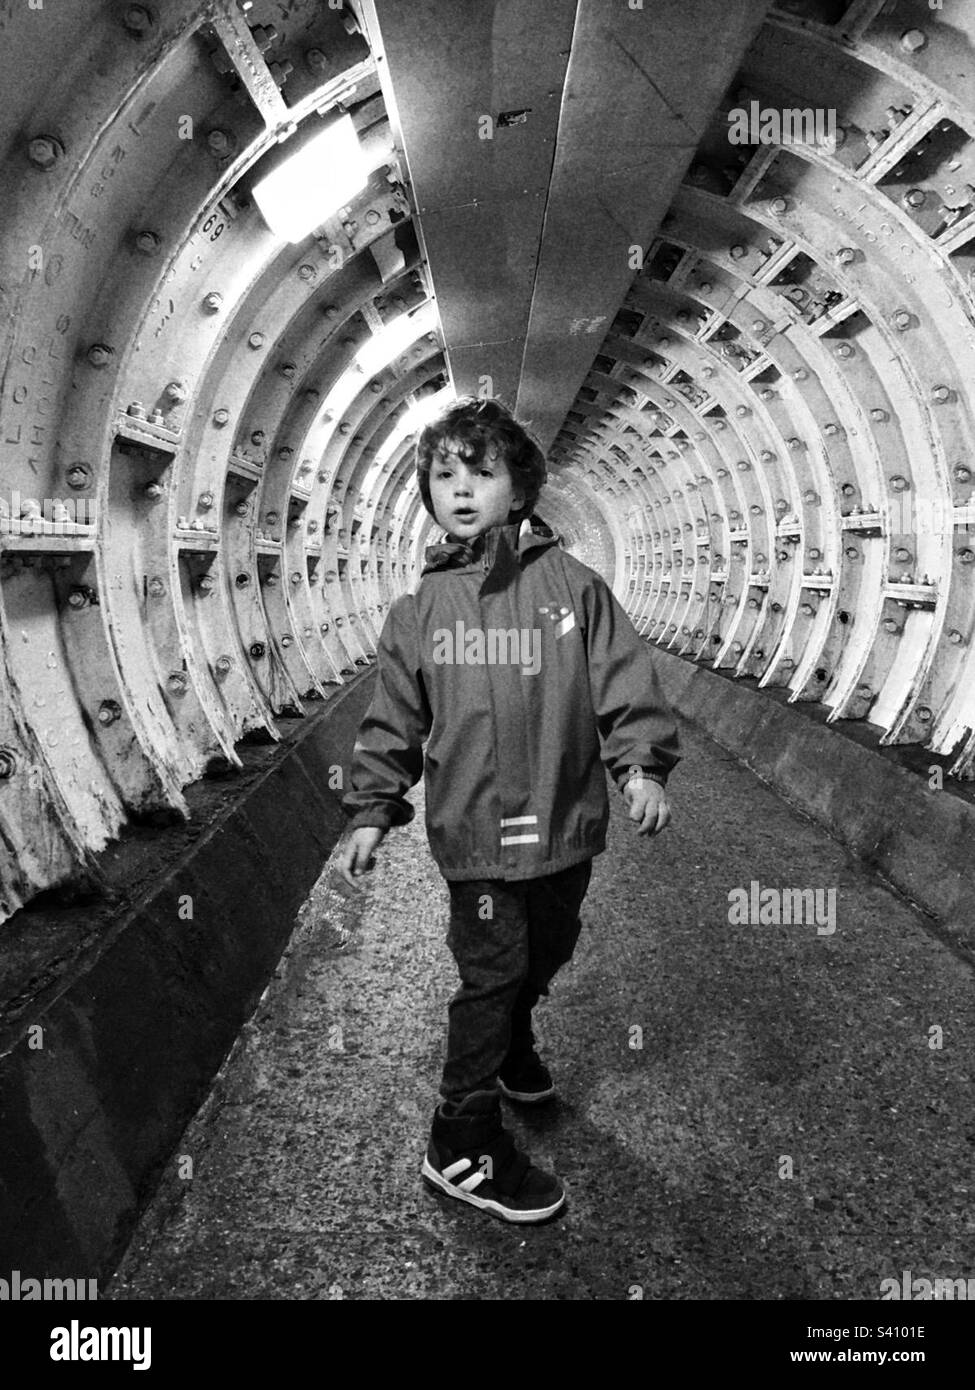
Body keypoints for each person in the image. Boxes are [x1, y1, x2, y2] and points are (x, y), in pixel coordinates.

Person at [338, 397, 680, 1223]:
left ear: (520, 490)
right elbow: (394, 717)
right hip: (478, 837)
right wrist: (371, 808)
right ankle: (460, 1142)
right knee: (490, 974)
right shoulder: (419, 611)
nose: (459, 489)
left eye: (480, 473)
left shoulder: (576, 590)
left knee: (548, 951)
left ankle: (515, 1041)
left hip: (564, 826)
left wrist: (640, 767)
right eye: (443, 475)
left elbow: (624, 685)